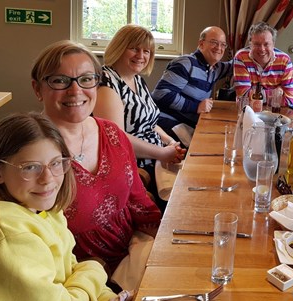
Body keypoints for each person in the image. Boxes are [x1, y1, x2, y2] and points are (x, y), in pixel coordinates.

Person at [31, 40, 161, 292]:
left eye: (86, 79)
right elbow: (31, 241)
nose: (75, 91)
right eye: (59, 81)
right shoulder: (30, 154)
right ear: (38, 89)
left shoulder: (112, 133)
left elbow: (137, 199)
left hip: (131, 259)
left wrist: (166, 239)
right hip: (77, 280)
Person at [0, 112, 131, 301]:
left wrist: (109, 297)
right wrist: (95, 268)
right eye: (30, 167)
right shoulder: (10, 232)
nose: (47, 179)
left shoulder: (46, 212)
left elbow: (72, 273)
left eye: (56, 163)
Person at [95, 24, 185, 208]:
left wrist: (169, 142)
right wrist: (162, 153)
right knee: (180, 199)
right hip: (134, 164)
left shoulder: (137, 80)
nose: (141, 56)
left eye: (147, 51)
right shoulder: (107, 82)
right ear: (119, 47)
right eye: (134, 48)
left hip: (156, 156)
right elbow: (116, 139)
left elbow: (149, 122)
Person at [152, 26, 233, 144]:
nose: (219, 48)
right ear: (201, 44)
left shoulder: (215, 68)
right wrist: (196, 107)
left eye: (223, 44)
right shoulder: (186, 63)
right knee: (206, 147)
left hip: (187, 123)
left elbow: (238, 63)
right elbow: (161, 94)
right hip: (166, 122)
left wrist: (262, 49)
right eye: (214, 42)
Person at [233, 21, 293, 107]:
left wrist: (254, 95)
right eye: (257, 44)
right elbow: (243, 97)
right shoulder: (241, 57)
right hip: (249, 113)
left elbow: (290, 99)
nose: (262, 49)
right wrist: (275, 94)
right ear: (250, 44)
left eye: (266, 44)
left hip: (277, 114)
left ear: (273, 45)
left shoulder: (284, 60)